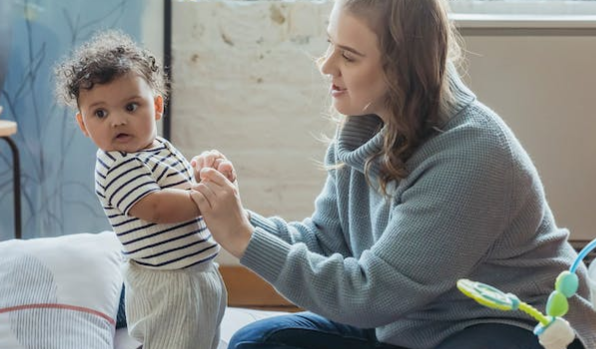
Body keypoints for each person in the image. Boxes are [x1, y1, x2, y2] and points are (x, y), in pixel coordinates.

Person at [189, 0, 596, 348]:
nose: (326, 65)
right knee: (257, 343)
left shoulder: (471, 155)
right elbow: (326, 242)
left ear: (403, 69)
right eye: (331, 44)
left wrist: (242, 238)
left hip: (510, 327)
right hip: (410, 319)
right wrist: (230, 213)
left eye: (348, 56)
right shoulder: (367, 127)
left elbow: (367, 295)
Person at [54, 30, 233, 349]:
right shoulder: (115, 165)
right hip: (168, 283)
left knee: (203, 339)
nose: (117, 121)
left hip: (198, 271)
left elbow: (178, 182)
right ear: (83, 125)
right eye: (100, 113)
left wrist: (204, 170)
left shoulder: (155, 149)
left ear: (157, 106)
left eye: (131, 107)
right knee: (173, 340)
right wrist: (206, 198)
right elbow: (155, 207)